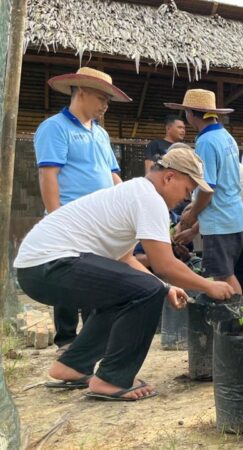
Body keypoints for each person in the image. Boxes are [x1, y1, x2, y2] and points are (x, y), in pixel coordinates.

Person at [14, 148, 235, 401]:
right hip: (50, 263)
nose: (186, 198)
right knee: (146, 291)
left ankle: (73, 365)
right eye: (187, 189)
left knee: (134, 292)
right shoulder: (148, 198)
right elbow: (165, 265)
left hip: (35, 269)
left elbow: (125, 258)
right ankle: (112, 379)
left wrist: (165, 287)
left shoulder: (134, 192)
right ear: (169, 177)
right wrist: (209, 287)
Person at [34, 67, 131, 353]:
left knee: (95, 280)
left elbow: (113, 174)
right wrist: (57, 216)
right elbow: (48, 174)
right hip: (70, 217)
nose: (105, 104)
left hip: (99, 220)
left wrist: (128, 202)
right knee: (66, 282)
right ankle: (66, 340)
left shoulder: (100, 134)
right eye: (102, 97)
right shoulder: (55, 128)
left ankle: (92, 340)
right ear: (82, 91)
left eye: (108, 100)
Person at [165, 89, 243, 294]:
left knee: (224, 276)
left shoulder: (205, 142)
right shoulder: (225, 136)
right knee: (227, 273)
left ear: (190, 114)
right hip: (234, 216)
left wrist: (190, 216)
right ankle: (237, 321)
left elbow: (208, 189)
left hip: (220, 222)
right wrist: (194, 227)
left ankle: (236, 321)